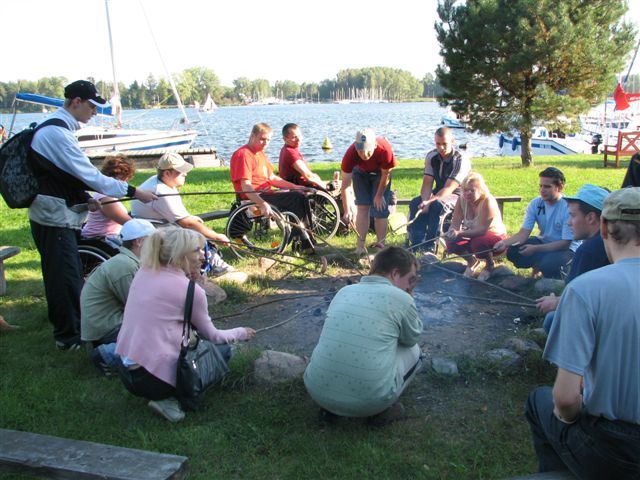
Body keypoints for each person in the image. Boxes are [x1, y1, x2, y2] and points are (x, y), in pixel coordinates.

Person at [28, 80, 156, 351]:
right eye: (92, 106)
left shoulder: (59, 129)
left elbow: (62, 175)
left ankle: (73, 329)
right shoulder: (56, 133)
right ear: (76, 102)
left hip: (59, 213)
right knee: (63, 277)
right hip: (53, 217)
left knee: (69, 272)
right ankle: (68, 337)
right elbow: (90, 175)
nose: (95, 112)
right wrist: (135, 192)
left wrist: (84, 198)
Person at [525, 187, 640, 479]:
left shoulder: (586, 289)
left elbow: (565, 400)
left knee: (540, 401)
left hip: (615, 448)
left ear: (603, 227)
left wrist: (569, 416)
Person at [115, 227, 256, 422]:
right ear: (181, 254)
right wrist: (241, 332)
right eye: (197, 250)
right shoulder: (190, 291)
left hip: (126, 370)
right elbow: (213, 335)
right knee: (223, 350)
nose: (203, 256)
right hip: (151, 381)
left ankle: (162, 391)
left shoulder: (145, 272)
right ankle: (170, 398)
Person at [304, 246, 424, 425]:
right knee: (416, 352)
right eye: (410, 280)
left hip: (316, 390)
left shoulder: (343, 292)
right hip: (370, 401)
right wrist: (409, 299)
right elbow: (410, 339)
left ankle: (331, 403)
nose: (409, 287)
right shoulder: (402, 298)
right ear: (395, 273)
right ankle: (380, 407)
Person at [131, 152, 233, 276]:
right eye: (181, 171)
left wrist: (190, 217)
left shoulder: (163, 182)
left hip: (160, 226)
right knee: (193, 235)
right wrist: (216, 236)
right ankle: (216, 265)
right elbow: (187, 224)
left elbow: (180, 216)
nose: (185, 173)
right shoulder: (160, 191)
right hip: (152, 234)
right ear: (167, 173)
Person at [80, 219, 156, 375]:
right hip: (106, 329)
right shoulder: (124, 266)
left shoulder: (127, 262)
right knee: (159, 335)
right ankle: (107, 354)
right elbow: (138, 307)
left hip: (110, 323)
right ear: (139, 242)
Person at [535, 184, 610, 333]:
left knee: (551, 320)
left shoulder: (589, 251)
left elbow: (578, 299)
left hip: (604, 319)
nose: (569, 222)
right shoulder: (610, 240)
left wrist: (556, 303)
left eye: (573, 216)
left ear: (590, 218)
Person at [230, 123, 315, 252]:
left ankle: (304, 239)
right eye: (262, 139)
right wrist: (262, 203)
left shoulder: (260, 153)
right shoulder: (243, 154)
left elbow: (273, 178)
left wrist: (296, 186)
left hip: (267, 194)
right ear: (252, 136)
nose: (265, 143)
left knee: (301, 195)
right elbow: (246, 187)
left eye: (268, 140)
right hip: (254, 198)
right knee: (296, 198)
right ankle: (304, 242)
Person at [493, 167, 578, 279]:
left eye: (547, 186)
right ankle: (538, 267)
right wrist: (504, 243)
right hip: (544, 241)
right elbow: (523, 234)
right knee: (513, 252)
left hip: (567, 249)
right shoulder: (536, 203)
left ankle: (558, 275)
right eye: (540, 186)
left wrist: (535, 249)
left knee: (548, 264)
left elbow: (565, 243)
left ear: (560, 187)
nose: (542, 190)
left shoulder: (568, 207)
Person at [407, 127, 471, 253]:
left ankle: (430, 244)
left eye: (444, 144)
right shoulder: (431, 156)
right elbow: (427, 182)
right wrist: (425, 201)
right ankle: (416, 243)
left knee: (437, 205)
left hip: (459, 195)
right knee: (416, 203)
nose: (441, 148)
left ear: (453, 141)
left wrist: (430, 201)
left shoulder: (460, 159)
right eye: (438, 144)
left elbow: (449, 187)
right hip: (438, 193)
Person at [340, 128, 397, 254]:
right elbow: (345, 185)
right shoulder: (350, 154)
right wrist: (347, 210)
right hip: (360, 173)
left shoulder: (385, 150)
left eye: (368, 150)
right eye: (360, 150)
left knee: (380, 208)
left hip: (380, 174)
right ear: (356, 146)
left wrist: (379, 195)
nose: (364, 154)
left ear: (375, 145)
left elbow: (386, 175)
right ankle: (360, 247)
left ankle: (381, 247)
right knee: (362, 207)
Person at [444, 172, 507, 279]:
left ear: (481, 190)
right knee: (450, 239)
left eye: (472, 190)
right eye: (465, 190)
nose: (467, 193)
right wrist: (452, 233)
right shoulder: (461, 200)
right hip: (473, 234)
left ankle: (489, 265)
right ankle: (472, 261)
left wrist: (459, 233)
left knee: (479, 241)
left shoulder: (487, 200)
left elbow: (482, 230)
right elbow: (455, 224)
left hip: (495, 236)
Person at [81, 154, 136, 246]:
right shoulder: (105, 197)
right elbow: (128, 223)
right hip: (101, 240)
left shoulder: (108, 194)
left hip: (110, 238)